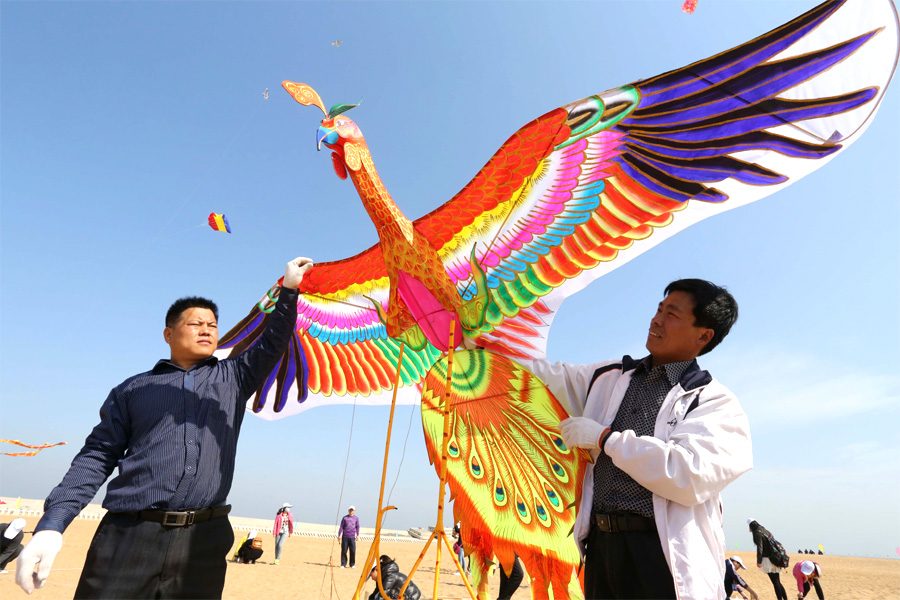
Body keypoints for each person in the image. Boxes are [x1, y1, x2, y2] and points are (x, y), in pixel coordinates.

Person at [15, 257, 314, 598]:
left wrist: (289, 290)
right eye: (196, 323)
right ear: (169, 334)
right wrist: (53, 524)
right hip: (129, 535)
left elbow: (274, 341)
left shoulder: (234, 377)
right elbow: (97, 455)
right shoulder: (132, 389)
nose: (207, 330)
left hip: (204, 540)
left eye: (213, 325)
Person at [518, 279, 751, 599]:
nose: (656, 319)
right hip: (601, 545)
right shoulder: (608, 376)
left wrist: (605, 439)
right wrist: (481, 345)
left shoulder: (715, 403)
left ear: (703, 335)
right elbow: (544, 377)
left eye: (672, 313)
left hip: (660, 552)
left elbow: (688, 474)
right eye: (658, 309)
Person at [749, 519, 788, 600]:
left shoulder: (757, 533)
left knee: (775, 582)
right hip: (776, 557)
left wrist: (759, 561)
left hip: (768, 559)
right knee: (777, 581)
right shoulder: (765, 530)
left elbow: (760, 547)